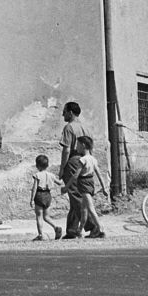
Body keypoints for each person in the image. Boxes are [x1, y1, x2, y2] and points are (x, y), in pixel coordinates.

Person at [58, 102, 97, 238]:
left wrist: (62, 168)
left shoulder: (69, 127)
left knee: (75, 196)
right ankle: (72, 230)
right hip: (87, 159)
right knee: (75, 196)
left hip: (74, 160)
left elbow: (66, 149)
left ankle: (93, 227)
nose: (63, 114)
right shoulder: (86, 127)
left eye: (64, 111)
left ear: (70, 112)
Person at [70, 137, 108, 238]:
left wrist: (66, 187)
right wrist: (104, 187)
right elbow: (99, 174)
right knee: (84, 209)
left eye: (78, 144)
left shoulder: (83, 160)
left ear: (83, 145)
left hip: (84, 184)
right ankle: (79, 230)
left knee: (90, 208)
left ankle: (100, 229)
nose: (76, 147)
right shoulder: (93, 159)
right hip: (90, 183)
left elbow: (75, 175)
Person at [29, 154, 64, 241]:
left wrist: (32, 199)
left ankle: (41, 235)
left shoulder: (37, 175)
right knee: (46, 216)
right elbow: (59, 183)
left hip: (40, 195)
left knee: (39, 216)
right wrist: (64, 176)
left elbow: (35, 188)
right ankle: (56, 227)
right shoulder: (51, 175)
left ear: (37, 165)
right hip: (48, 195)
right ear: (47, 165)